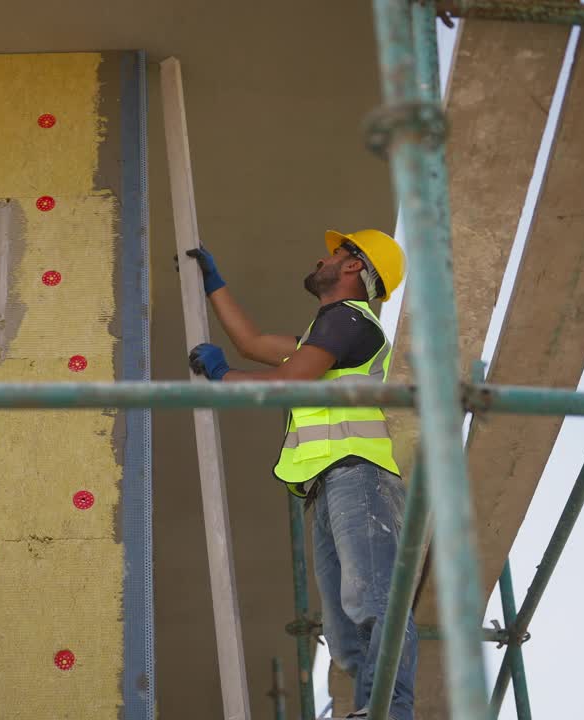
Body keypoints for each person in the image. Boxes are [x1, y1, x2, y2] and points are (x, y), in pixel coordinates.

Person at [184, 230, 416, 720]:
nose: (322, 257)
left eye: (336, 253)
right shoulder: (324, 333)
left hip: (359, 475)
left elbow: (288, 380)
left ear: (354, 267)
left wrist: (223, 380)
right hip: (331, 484)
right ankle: (369, 711)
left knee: (374, 598)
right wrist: (213, 283)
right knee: (344, 625)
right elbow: (250, 344)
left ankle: (392, 713)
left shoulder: (350, 320)